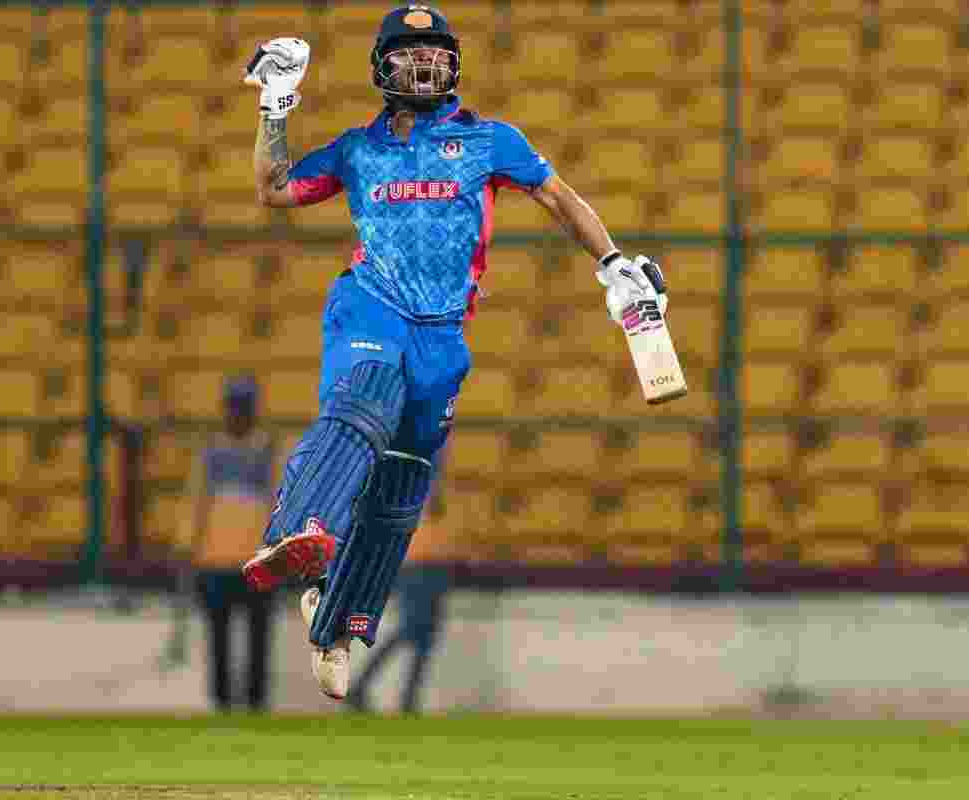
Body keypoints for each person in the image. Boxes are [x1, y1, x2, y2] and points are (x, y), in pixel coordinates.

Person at [234, 4, 670, 700]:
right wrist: (277, 104)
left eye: (436, 50)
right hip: (371, 305)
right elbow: (274, 188)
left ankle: (336, 620)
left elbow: (559, 199)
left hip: (443, 335)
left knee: (402, 487)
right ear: (383, 67)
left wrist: (615, 264)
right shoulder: (358, 149)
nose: (425, 62)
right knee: (364, 399)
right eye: (409, 52)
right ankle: (302, 529)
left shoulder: (489, 141)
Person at [177, 375, 280, 712]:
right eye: (234, 407)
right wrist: (186, 545)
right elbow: (195, 501)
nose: (238, 415)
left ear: (253, 411)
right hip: (215, 560)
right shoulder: (210, 453)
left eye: (244, 407)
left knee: (258, 638)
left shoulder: (268, 451)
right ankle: (221, 701)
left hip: (258, 562)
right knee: (219, 638)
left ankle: (256, 702)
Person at [346, 447, 454, 714]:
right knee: (411, 629)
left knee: (424, 636)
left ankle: (406, 700)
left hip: (435, 558)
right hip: (414, 560)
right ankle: (365, 686)